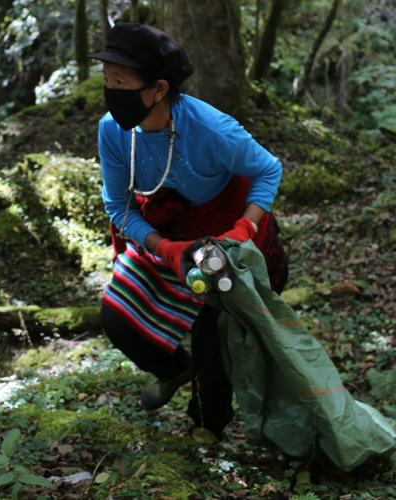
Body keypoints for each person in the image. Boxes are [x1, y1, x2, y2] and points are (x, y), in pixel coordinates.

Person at [88, 23, 289, 441]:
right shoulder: (113, 130)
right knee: (117, 317)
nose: (110, 91)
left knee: (211, 351)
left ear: (158, 89)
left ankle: (207, 433)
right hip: (165, 234)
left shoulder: (211, 130)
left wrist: (244, 227)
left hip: (224, 241)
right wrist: (166, 248)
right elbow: (118, 206)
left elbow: (269, 169)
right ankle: (171, 368)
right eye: (107, 80)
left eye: (120, 81)